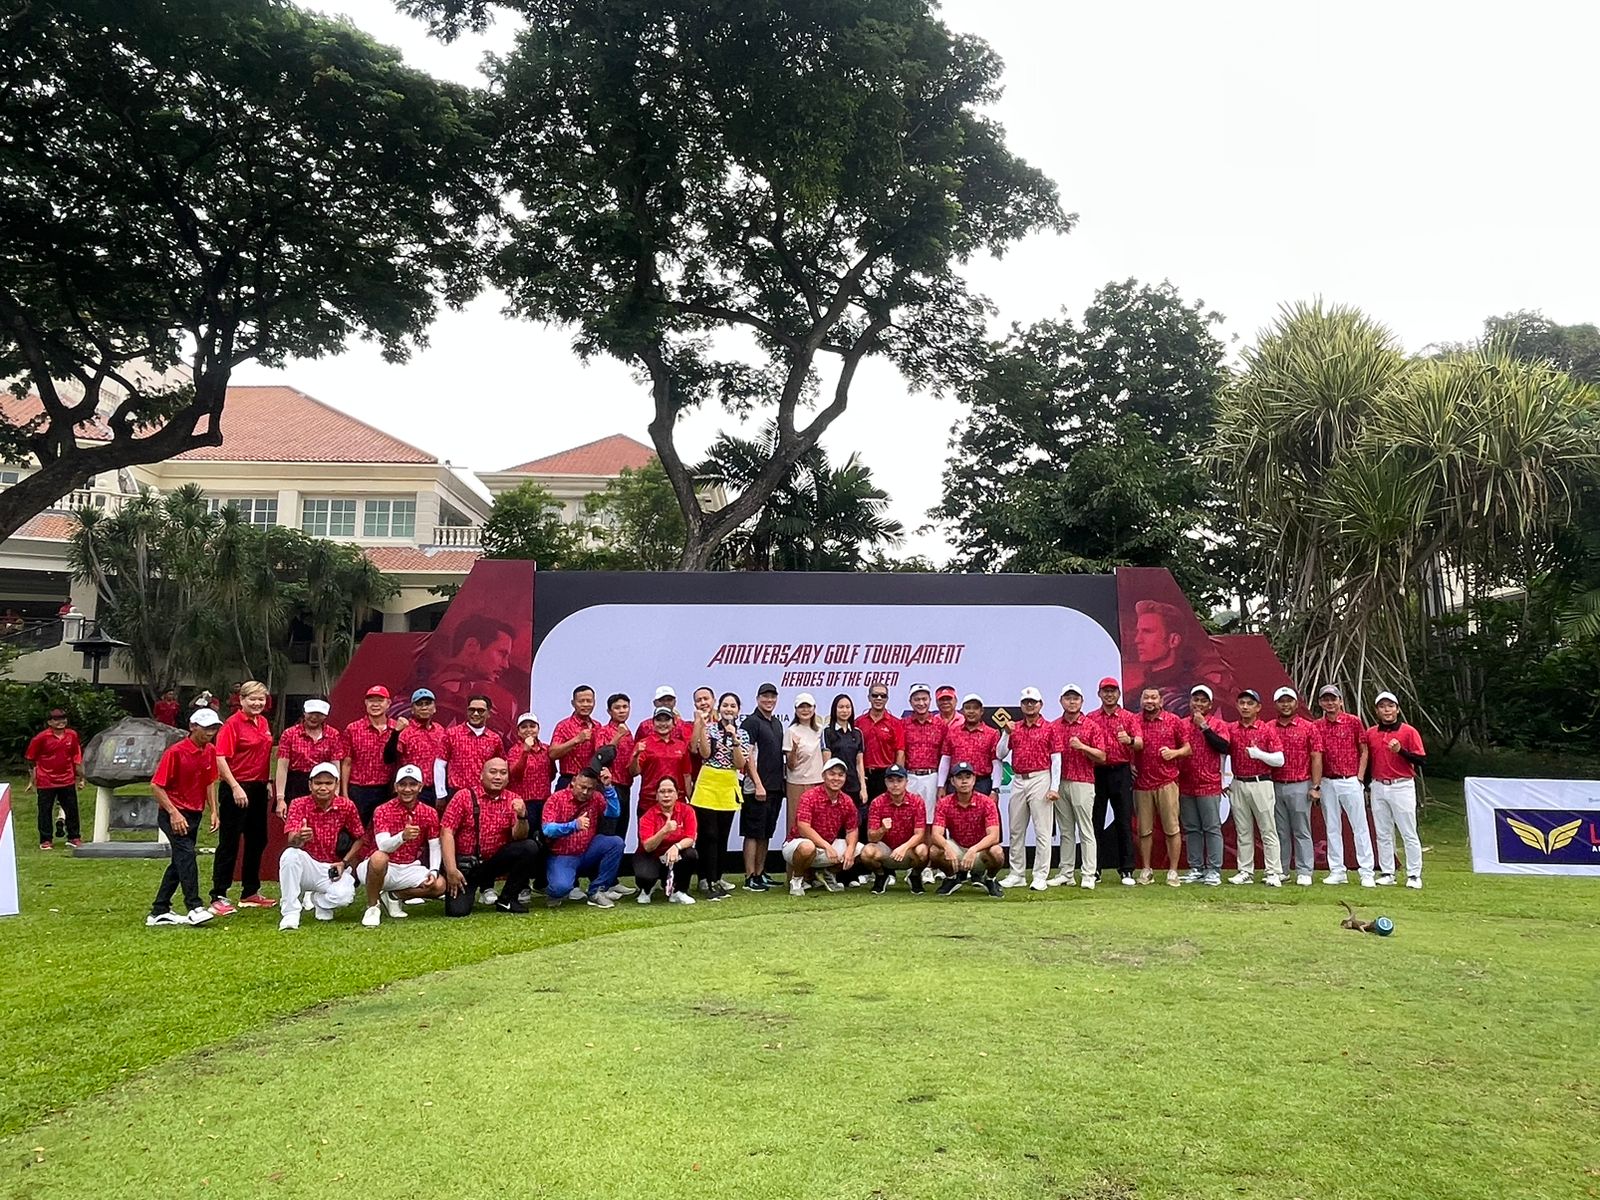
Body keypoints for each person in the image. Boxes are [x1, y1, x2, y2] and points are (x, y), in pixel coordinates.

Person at [145, 709, 222, 927]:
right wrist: (174, 813)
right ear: (193, 727)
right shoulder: (176, 752)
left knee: (180, 861)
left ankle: (159, 909)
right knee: (187, 856)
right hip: (174, 814)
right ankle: (194, 906)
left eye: (214, 728)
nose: (210, 732)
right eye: (206, 728)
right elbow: (156, 786)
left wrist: (214, 810)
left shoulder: (209, 751)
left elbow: (209, 782)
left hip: (194, 813)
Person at [440, 757, 543, 913]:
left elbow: (519, 837)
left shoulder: (513, 799)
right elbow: (446, 832)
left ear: (508, 777)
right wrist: (451, 870)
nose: (497, 777)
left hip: (495, 862)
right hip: (467, 865)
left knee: (530, 846)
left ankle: (507, 899)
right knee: (457, 912)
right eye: (493, 772)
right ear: (481, 775)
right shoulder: (463, 796)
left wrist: (522, 816)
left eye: (503, 773)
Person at [210, 680, 276, 914]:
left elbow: (264, 754)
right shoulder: (232, 724)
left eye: (261, 699)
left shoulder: (264, 722)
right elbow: (220, 758)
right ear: (242, 700)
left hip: (258, 788)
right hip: (236, 788)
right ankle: (218, 894)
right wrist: (235, 786)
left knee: (258, 840)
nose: (257, 703)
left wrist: (267, 781)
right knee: (229, 842)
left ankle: (250, 892)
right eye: (252, 699)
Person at [276, 762, 366, 930]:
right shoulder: (298, 804)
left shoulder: (346, 806)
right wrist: (300, 837)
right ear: (310, 785)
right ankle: (290, 913)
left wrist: (344, 863)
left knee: (344, 897)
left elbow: (360, 838)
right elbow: (291, 840)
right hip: (308, 865)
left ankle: (320, 901)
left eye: (328, 783)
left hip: (333, 867)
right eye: (318, 783)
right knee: (289, 855)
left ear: (336, 785)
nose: (323, 787)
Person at [358, 765, 446, 926]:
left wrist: (433, 870)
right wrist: (402, 837)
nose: (407, 789)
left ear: (420, 787)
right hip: (382, 868)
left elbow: (434, 845)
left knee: (439, 885)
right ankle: (372, 906)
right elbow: (383, 846)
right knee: (379, 857)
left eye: (412, 784)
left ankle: (394, 896)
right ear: (395, 786)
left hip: (409, 868)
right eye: (402, 784)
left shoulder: (429, 812)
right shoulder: (383, 810)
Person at [996, 687, 1058, 891]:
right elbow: (1000, 753)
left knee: (1042, 831)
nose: (1029, 705)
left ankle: (1040, 875)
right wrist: (1006, 734)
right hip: (1018, 780)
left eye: (1033, 702)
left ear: (1041, 704)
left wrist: (1054, 787)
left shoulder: (1050, 728)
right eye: (1026, 702)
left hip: (1041, 777)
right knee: (1016, 829)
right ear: (1021, 705)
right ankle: (1017, 873)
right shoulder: (1015, 728)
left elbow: (1056, 759)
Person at [691, 691, 750, 900]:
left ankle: (716, 878)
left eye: (733, 706)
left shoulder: (743, 734)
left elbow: (740, 764)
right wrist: (702, 728)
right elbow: (705, 754)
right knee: (709, 834)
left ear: (738, 710)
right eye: (725, 705)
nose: (729, 709)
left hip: (728, 784)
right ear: (719, 707)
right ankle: (704, 879)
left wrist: (734, 739)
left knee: (722, 835)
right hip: (708, 783)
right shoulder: (710, 729)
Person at [1315, 685, 1375, 887]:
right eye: (1326, 699)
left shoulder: (1353, 722)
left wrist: (1359, 777)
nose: (1330, 703)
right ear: (1321, 703)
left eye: (1333, 699)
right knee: (1332, 827)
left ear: (1340, 701)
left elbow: (1364, 750)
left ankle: (1366, 871)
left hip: (1350, 779)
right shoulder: (1317, 726)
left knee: (1360, 826)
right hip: (1327, 781)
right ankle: (1337, 870)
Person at [542, 767, 627, 908]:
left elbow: (614, 813)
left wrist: (608, 787)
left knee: (616, 843)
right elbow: (547, 830)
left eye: (590, 789)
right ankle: (553, 891)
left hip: (588, 850)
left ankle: (597, 890)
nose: (585, 792)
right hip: (563, 854)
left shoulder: (596, 797)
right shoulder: (556, 799)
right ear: (574, 781)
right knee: (560, 888)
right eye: (582, 787)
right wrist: (574, 825)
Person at [1366, 691, 1426, 889]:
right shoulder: (1372, 733)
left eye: (1390, 706)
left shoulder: (1409, 732)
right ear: (1377, 711)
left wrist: (1401, 750)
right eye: (1383, 707)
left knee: (1408, 831)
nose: (1387, 710)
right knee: (1382, 832)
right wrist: (1366, 785)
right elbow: (1368, 761)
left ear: (1397, 709)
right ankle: (1387, 872)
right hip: (1379, 785)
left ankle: (1414, 874)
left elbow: (1421, 760)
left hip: (1402, 785)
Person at [1225, 690, 1285, 887]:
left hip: (1261, 783)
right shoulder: (1232, 729)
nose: (1245, 706)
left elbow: (1279, 759)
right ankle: (1245, 871)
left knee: (1268, 829)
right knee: (1243, 831)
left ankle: (1274, 872)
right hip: (1239, 782)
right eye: (1241, 703)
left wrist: (1259, 754)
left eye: (1249, 703)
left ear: (1258, 707)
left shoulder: (1266, 729)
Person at [1131, 685, 1190, 887]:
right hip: (1142, 784)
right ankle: (1147, 869)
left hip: (1167, 782)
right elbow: (1130, 745)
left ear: (1161, 701)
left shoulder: (1174, 721)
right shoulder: (1134, 720)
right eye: (1146, 698)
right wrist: (1131, 763)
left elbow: (1188, 749)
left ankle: (1173, 871)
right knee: (1144, 830)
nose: (1150, 701)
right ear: (1141, 701)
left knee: (1172, 829)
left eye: (1153, 698)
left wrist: (1174, 753)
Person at [1085, 677, 1141, 885]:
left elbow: (1140, 743)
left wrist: (1130, 741)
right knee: (1095, 822)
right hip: (1098, 772)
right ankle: (1095, 868)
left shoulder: (1128, 717)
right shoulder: (1091, 718)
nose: (1109, 694)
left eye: (1113, 691)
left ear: (1118, 693)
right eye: (1105, 691)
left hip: (1121, 771)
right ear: (1099, 694)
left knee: (1124, 821)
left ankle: (1126, 869)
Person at [1047, 685, 1104, 889]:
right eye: (1068, 698)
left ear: (1082, 702)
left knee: (1086, 830)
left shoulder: (1091, 726)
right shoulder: (1053, 726)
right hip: (1060, 783)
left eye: (1076, 699)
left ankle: (1089, 873)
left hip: (1083, 781)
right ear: (1061, 701)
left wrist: (1083, 747)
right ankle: (1066, 873)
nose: (1072, 702)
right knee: (1066, 831)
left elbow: (1102, 755)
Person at [781, 758, 859, 897]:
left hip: (826, 846)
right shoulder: (810, 796)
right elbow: (803, 827)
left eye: (840, 775)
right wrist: (827, 846)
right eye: (832, 774)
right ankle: (797, 879)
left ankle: (828, 873)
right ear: (823, 776)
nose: (836, 778)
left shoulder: (846, 800)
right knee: (807, 847)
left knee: (860, 850)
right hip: (797, 844)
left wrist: (850, 850)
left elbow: (852, 829)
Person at [1270, 686, 1323, 886]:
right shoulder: (1269, 727)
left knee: (1301, 829)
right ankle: (1281, 869)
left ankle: (1304, 870)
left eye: (1289, 700)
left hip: (1300, 784)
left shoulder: (1308, 727)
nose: (1285, 705)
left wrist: (1315, 786)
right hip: (1275, 784)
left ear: (1296, 703)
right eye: (1281, 701)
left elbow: (1316, 756)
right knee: (1280, 831)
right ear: (1276, 704)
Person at [1177, 685, 1229, 886]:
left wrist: (1204, 726)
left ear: (1210, 704)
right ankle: (1196, 868)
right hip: (1186, 784)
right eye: (1195, 700)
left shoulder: (1218, 724)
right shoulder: (1181, 724)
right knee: (1191, 828)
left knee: (1211, 827)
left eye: (1203, 700)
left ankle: (1214, 869)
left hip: (1209, 783)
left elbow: (1224, 746)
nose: (1198, 704)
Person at [900, 683, 952, 883]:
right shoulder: (903, 724)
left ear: (930, 701)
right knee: (911, 822)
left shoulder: (940, 725)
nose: (921, 703)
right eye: (916, 699)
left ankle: (928, 866)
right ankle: (913, 863)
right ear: (910, 702)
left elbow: (945, 756)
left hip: (932, 776)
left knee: (930, 823)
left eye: (924, 699)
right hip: (910, 776)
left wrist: (941, 784)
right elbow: (901, 752)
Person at [931, 764, 1005, 897]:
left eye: (968, 777)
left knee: (997, 851)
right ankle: (951, 878)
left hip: (979, 851)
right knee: (935, 851)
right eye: (959, 777)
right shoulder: (944, 803)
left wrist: (973, 849)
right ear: (952, 782)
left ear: (974, 780)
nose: (964, 781)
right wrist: (947, 847)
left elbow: (994, 836)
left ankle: (990, 879)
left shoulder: (987, 802)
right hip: (957, 848)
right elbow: (936, 834)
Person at [740, 682, 786, 892]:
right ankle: (750, 876)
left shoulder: (776, 723)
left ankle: (760, 873)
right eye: (765, 697)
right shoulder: (751, 722)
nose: (769, 701)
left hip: (775, 787)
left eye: (772, 697)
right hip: (755, 788)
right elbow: (746, 757)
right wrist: (758, 784)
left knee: (766, 832)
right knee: (753, 832)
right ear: (758, 698)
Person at [820, 693, 868, 881]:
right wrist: (832, 786)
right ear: (834, 710)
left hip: (854, 789)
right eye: (841, 707)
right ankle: (833, 873)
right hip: (836, 789)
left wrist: (863, 787)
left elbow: (859, 763)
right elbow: (827, 763)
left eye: (847, 707)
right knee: (837, 831)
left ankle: (852, 874)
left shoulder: (857, 733)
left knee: (853, 829)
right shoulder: (828, 732)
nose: (844, 710)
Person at [861, 766, 928, 894]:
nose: (895, 784)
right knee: (867, 852)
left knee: (923, 850)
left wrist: (904, 847)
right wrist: (882, 829)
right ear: (885, 782)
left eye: (899, 780)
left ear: (906, 782)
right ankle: (881, 875)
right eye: (891, 780)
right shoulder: (877, 802)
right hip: (886, 849)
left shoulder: (917, 801)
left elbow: (920, 834)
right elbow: (871, 837)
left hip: (908, 850)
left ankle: (914, 876)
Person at [341, 684, 399, 827]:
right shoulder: (353, 729)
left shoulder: (397, 728)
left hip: (386, 789)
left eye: (379, 700)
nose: (375, 705)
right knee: (356, 831)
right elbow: (347, 763)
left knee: (384, 830)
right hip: (359, 789)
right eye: (371, 700)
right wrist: (344, 793)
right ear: (366, 703)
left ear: (388, 703)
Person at [26, 707, 83, 850]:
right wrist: (32, 779)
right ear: (49, 722)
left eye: (63, 718)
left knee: (71, 809)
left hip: (67, 778)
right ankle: (46, 840)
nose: (60, 722)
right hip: (46, 780)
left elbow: (76, 756)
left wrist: (80, 777)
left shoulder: (72, 735)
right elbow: (31, 758)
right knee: (45, 810)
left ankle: (73, 837)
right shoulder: (41, 738)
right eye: (56, 719)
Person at [634, 778, 698, 905]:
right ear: (657, 796)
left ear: (677, 794)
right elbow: (647, 847)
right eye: (662, 792)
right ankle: (646, 889)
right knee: (645, 876)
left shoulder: (687, 811)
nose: (666, 795)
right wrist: (664, 831)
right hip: (652, 855)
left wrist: (676, 846)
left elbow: (690, 838)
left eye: (670, 791)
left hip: (675, 856)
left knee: (691, 854)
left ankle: (679, 891)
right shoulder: (648, 816)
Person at [276, 699, 344, 807]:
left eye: (319, 714)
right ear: (304, 712)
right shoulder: (289, 734)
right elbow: (282, 768)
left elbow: (336, 767)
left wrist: (335, 794)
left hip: (323, 783)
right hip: (295, 785)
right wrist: (280, 798)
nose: (314, 717)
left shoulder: (333, 735)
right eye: (311, 713)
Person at [440, 693, 508, 798]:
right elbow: (440, 764)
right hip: (456, 792)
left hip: (484, 795)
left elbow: (501, 765)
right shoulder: (451, 734)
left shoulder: (494, 739)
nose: (475, 714)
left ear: (488, 713)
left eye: (480, 711)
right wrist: (441, 794)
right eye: (472, 710)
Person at [634, 706, 695, 820]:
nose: (663, 724)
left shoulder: (681, 746)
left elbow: (686, 775)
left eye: (666, 720)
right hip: (649, 803)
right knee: (648, 838)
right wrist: (635, 756)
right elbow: (634, 772)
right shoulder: (644, 744)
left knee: (678, 837)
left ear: (673, 723)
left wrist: (691, 800)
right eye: (659, 720)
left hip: (677, 803)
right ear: (653, 723)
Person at [395, 687, 448, 808]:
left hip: (437, 789)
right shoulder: (405, 732)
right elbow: (395, 761)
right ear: (412, 709)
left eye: (428, 703)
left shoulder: (441, 730)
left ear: (434, 708)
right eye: (419, 704)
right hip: (413, 790)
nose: (424, 707)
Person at [944, 695, 1005, 795]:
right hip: (956, 782)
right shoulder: (952, 732)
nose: (971, 711)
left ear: (981, 711)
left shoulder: (992, 733)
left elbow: (996, 762)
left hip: (982, 783)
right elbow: (946, 758)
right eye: (967, 708)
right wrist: (941, 785)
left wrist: (995, 790)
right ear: (962, 711)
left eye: (975, 708)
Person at [598, 693, 636, 839]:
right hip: (609, 787)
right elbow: (601, 756)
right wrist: (617, 736)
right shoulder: (603, 731)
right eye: (617, 708)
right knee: (609, 830)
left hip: (625, 786)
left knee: (621, 830)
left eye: (625, 707)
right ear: (609, 711)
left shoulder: (629, 733)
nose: (622, 711)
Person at [859, 684, 905, 800]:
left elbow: (900, 751)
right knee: (865, 814)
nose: (878, 699)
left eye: (883, 696)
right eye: (875, 695)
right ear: (869, 697)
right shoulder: (859, 722)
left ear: (887, 699)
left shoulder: (895, 723)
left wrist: (897, 777)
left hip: (886, 774)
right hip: (865, 775)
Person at [783, 692, 825, 816]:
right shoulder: (791, 731)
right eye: (801, 707)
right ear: (796, 710)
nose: (805, 710)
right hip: (797, 784)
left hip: (819, 782)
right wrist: (794, 748)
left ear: (814, 709)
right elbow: (790, 765)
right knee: (796, 822)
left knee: (817, 823)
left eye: (808, 706)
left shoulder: (821, 730)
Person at [549, 685, 600, 787]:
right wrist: (576, 740)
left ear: (594, 702)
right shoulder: (564, 726)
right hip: (569, 780)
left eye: (589, 701)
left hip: (592, 781)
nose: (585, 704)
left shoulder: (598, 726)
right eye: (581, 701)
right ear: (573, 703)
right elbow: (552, 753)